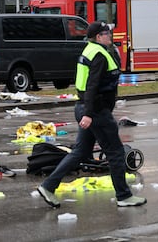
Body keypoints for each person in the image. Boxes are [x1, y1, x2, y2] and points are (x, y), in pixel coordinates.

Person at [37, 21, 147, 208]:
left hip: (85, 108)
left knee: (81, 151)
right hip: (95, 111)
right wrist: (89, 114)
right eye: (106, 34)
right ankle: (123, 196)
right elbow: (92, 86)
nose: (110, 37)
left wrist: (86, 112)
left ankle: (48, 186)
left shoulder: (90, 50)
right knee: (116, 153)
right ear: (98, 37)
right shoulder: (99, 55)